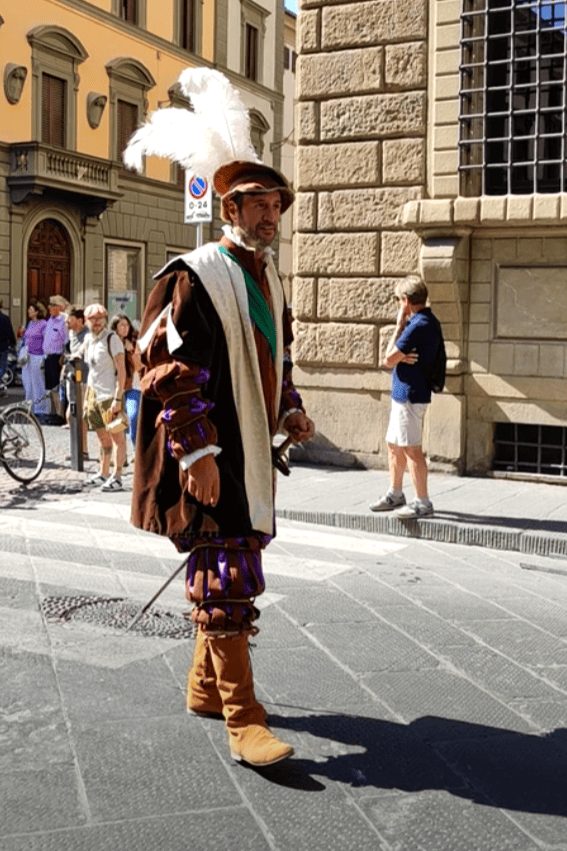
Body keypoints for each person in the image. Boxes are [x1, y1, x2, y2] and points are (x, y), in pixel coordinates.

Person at [130, 160, 314, 768]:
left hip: (249, 448)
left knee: (232, 560)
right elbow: (167, 367)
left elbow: (277, 357)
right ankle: (244, 719)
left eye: (277, 204)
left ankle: (205, 689)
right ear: (229, 208)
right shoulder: (197, 274)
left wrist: (290, 411)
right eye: (258, 203)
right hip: (211, 449)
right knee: (227, 574)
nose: (271, 214)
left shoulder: (269, 277)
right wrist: (198, 453)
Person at [370, 274, 442, 519]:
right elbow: (394, 358)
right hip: (403, 393)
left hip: (411, 395)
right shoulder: (425, 321)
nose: (399, 304)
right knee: (394, 445)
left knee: (411, 448)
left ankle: (422, 501)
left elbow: (388, 359)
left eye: (399, 300)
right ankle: (395, 493)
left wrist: (399, 324)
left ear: (407, 301)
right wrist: (399, 355)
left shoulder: (418, 325)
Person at [81, 304, 127, 491]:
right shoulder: (88, 339)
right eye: (93, 318)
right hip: (93, 394)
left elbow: (122, 369)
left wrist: (118, 397)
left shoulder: (112, 339)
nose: (97, 322)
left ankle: (117, 476)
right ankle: (103, 472)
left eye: (101, 318)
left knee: (117, 437)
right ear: (87, 321)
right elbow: (81, 354)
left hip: (109, 395)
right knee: (102, 437)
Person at [110, 313, 142, 458]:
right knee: (113, 422)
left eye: (127, 325)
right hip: (113, 387)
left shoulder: (134, 343)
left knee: (133, 415)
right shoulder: (110, 342)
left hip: (132, 386)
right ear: (115, 328)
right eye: (121, 325)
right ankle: (117, 455)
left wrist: (132, 351)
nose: (125, 328)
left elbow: (140, 367)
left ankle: (136, 449)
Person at [61, 307, 89, 456]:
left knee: (79, 414)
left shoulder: (88, 335)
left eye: (69, 320)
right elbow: (71, 353)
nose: (66, 322)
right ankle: (78, 448)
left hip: (83, 379)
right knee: (71, 414)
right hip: (71, 377)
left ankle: (82, 450)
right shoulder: (71, 334)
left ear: (80, 320)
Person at [44, 294, 69, 424]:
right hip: (48, 357)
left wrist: (63, 358)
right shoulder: (50, 320)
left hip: (57, 358)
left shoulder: (63, 322)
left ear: (59, 307)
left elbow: (66, 341)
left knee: (57, 388)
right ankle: (53, 412)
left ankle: (60, 415)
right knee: (50, 388)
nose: (49, 307)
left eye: (52, 305)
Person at [21, 301, 50, 417]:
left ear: (37, 311)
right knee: (27, 382)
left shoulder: (44, 324)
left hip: (38, 356)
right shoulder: (30, 324)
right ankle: (29, 406)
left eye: (31, 309)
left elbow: (46, 340)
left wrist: (45, 356)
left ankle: (40, 409)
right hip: (27, 356)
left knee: (38, 383)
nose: (29, 311)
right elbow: (25, 339)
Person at [0, 299, 16, 390]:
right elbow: (10, 332)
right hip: (3, 346)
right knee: (2, 366)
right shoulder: (5, 318)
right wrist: (13, 343)